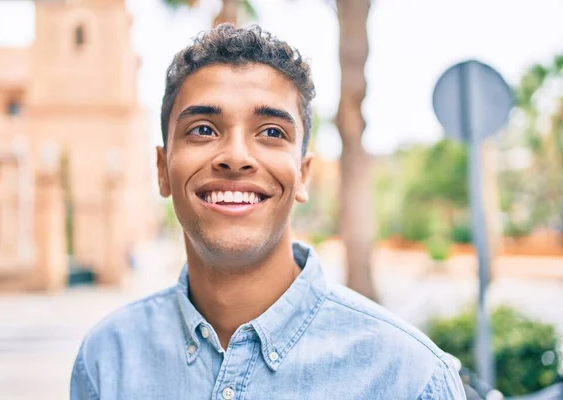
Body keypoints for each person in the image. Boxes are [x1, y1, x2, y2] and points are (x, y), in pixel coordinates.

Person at [70, 24, 465, 400]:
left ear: (303, 175)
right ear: (162, 171)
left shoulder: (408, 377)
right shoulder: (108, 359)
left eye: (272, 132)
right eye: (204, 129)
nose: (236, 157)